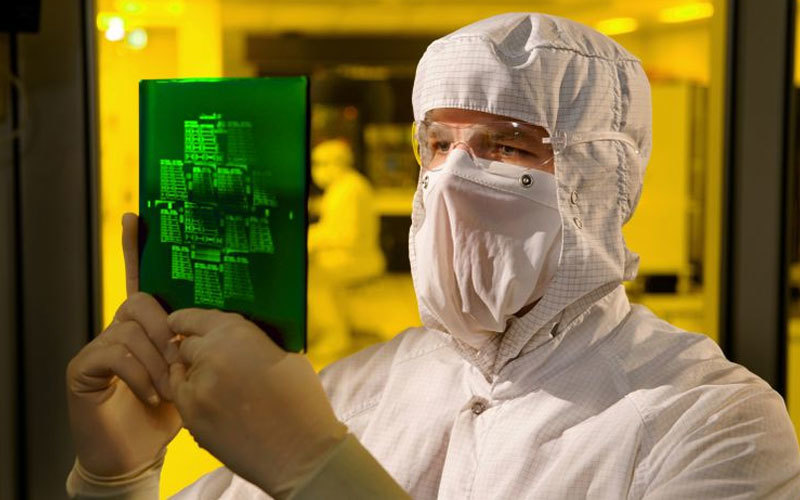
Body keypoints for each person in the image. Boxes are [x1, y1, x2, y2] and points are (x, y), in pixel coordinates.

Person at [66, 12, 800, 499]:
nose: (452, 179)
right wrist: (118, 478)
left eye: (507, 146)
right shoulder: (353, 391)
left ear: (599, 178)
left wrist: (317, 469)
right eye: (439, 144)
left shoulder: (711, 424)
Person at [307, 138, 385, 365]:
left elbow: (345, 235)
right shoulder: (344, 186)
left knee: (315, 277)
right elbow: (333, 228)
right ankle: (341, 327)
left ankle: (335, 336)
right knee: (320, 274)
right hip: (352, 254)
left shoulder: (349, 189)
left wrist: (311, 240)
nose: (317, 170)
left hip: (359, 258)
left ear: (338, 162)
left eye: (322, 163)